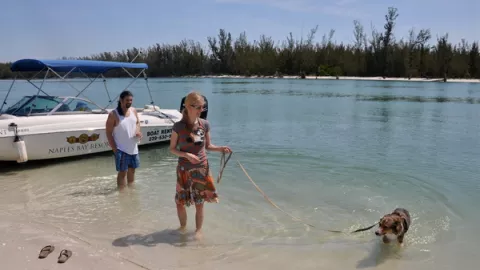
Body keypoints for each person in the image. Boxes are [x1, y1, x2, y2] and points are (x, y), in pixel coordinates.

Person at [169, 91, 231, 239]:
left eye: (202, 107)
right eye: (198, 107)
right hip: (184, 169)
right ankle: (183, 228)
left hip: (201, 168)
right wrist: (186, 155)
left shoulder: (204, 124)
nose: (201, 110)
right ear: (189, 106)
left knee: (199, 203)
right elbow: (172, 149)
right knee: (180, 202)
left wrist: (221, 149)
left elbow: (208, 146)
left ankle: (198, 231)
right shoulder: (178, 127)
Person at [105, 90, 142, 190]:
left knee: (132, 170)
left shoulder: (134, 111)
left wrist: (138, 131)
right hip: (121, 149)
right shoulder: (113, 114)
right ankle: (122, 195)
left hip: (133, 147)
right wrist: (114, 149)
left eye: (131, 100)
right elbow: (108, 132)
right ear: (121, 100)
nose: (129, 102)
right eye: (127, 100)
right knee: (122, 172)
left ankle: (131, 192)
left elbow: (137, 122)